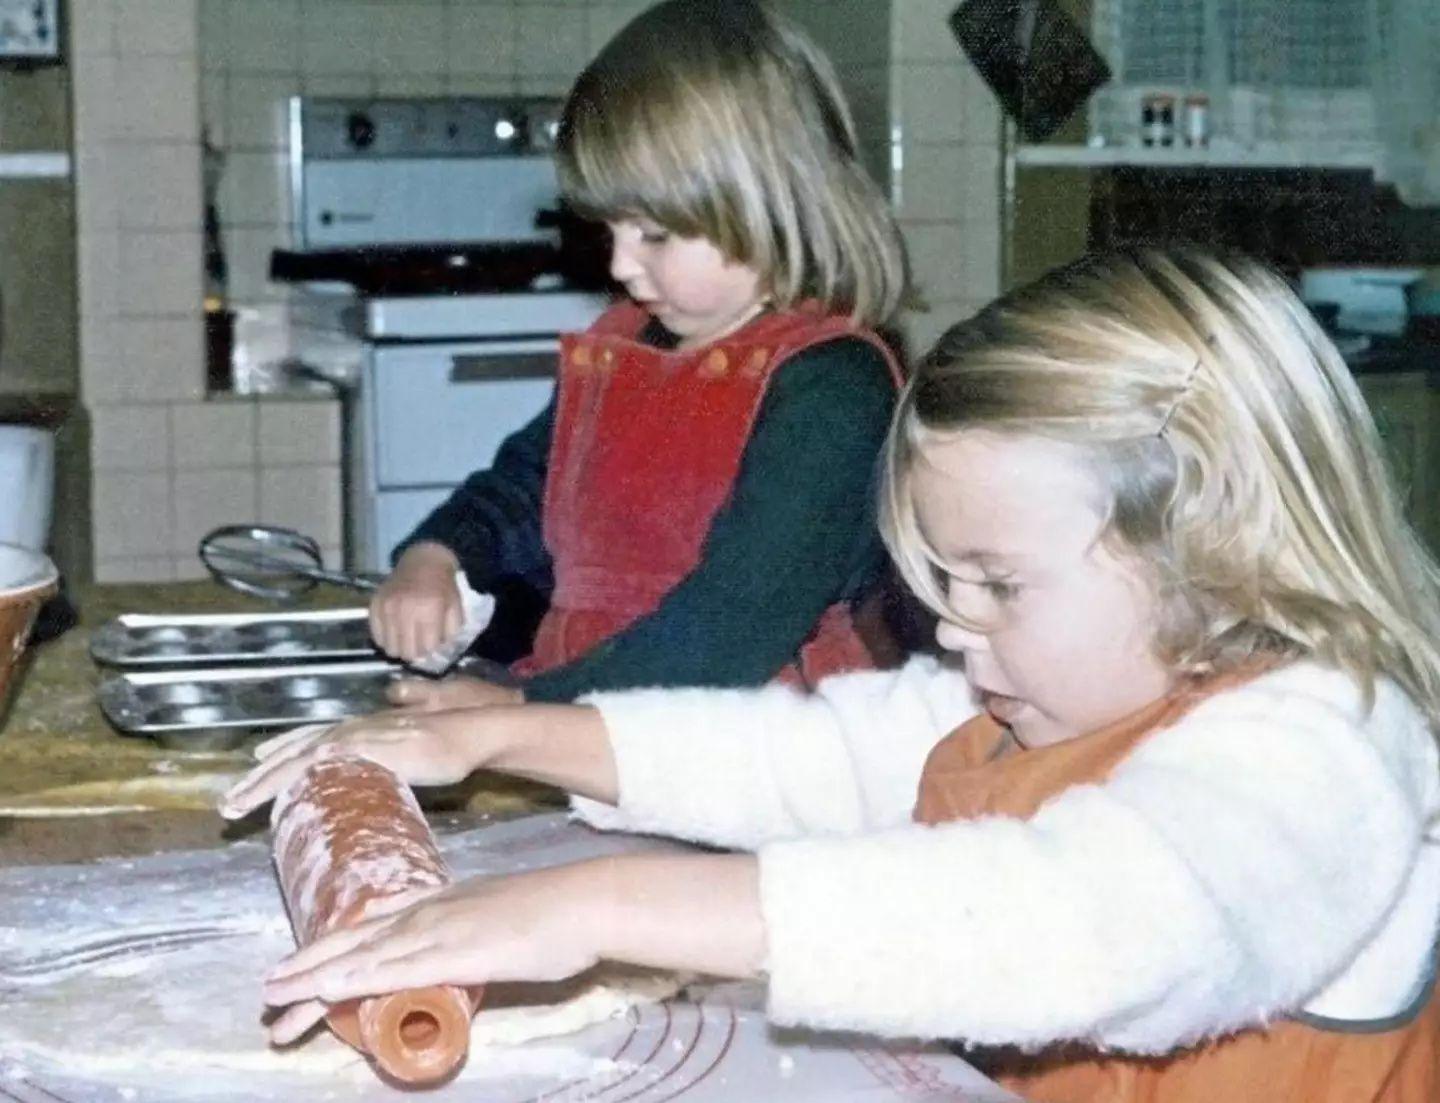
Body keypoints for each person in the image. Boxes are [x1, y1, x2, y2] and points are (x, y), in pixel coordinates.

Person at [223, 249, 1440, 1102]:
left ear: (1216, 555)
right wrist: (500, 738)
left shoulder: (1333, 740)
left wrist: (596, 904)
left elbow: (1088, 917)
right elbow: (823, 755)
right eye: (941, 581)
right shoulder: (1057, 687)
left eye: (998, 585)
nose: (956, 627)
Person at [371, 0, 908, 706]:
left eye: (653, 234)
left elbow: (725, 636)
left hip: (764, 758)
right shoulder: (623, 351)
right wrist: (435, 555)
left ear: (769, 202)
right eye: (611, 230)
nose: (621, 265)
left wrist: (519, 712)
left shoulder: (832, 388)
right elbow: (521, 490)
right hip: (594, 726)